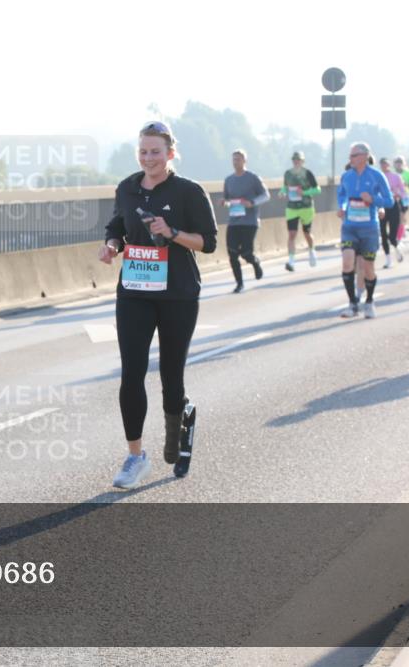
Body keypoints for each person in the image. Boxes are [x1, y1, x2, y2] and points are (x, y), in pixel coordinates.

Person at [99, 121, 217, 488]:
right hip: (134, 291)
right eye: (143, 151)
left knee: (171, 375)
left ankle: (178, 432)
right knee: (131, 372)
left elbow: (208, 242)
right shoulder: (128, 188)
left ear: (170, 154)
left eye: (156, 151)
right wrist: (112, 246)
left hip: (178, 294)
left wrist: (173, 233)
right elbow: (117, 226)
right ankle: (135, 456)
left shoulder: (189, 191)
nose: (149, 158)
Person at [336, 143, 393, 319]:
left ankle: (368, 301)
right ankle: (353, 304)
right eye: (350, 156)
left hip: (369, 228)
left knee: (368, 267)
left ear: (364, 156)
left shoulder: (377, 176)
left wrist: (373, 199)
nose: (350, 159)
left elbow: (389, 201)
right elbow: (342, 195)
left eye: (353, 156)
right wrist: (342, 207)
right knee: (347, 262)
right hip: (349, 226)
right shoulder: (346, 176)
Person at [222, 150, 268, 292]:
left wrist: (252, 202)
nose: (236, 162)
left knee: (246, 253)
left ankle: (255, 263)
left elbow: (266, 195)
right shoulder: (228, 180)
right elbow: (228, 200)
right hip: (234, 221)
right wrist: (224, 203)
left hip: (250, 221)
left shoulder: (253, 178)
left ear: (244, 161)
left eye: (239, 159)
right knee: (232, 253)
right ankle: (239, 283)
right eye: (234, 159)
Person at [278, 150, 320, 271]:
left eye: (298, 160)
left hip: (306, 207)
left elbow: (317, 190)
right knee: (292, 234)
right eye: (294, 160)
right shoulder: (288, 174)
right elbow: (285, 187)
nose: (296, 162)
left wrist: (305, 192)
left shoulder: (308, 173)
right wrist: (282, 192)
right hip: (292, 208)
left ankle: (312, 250)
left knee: (307, 233)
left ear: (302, 161)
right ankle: (291, 261)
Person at [379, 158, 407, 268]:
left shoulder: (396, 177)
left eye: (386, 164)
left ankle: (397, 248)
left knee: (392, 235)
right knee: (383, 234)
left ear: (389, 165)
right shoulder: (378, 177)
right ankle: (388, 259)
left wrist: (398, 194)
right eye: (382, 164)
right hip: (382, 206)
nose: (384, 166)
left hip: (394, 206)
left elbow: (403, 191)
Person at [393, 156, 409, 242]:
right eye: (397, 163)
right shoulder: (392, 174)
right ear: (394, 165)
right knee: (398, 215)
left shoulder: (408, 173)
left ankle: (401, 232)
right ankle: (401, 229)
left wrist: (406, 184)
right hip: (395, 196)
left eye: (400, 163)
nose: (399, 165)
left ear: (403, 164)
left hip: (405, 196)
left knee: (402, 215)